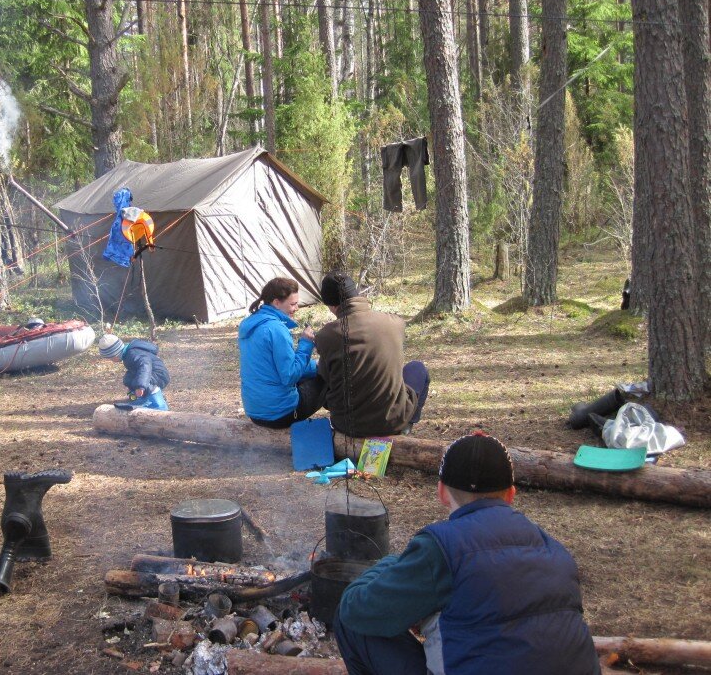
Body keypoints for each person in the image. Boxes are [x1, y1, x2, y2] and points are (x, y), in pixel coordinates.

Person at [334, 432, 601, 675]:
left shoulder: (442, 546)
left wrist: (391, 564)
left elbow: (357, 608)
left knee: (351, 623)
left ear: (441, 492)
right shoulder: (555, 549)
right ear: (511, 494)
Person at [314, 273, 428, 436]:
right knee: (417, 368)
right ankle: (406, 425)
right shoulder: (395, 323)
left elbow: (325, 380)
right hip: (393, 421)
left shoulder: (325, 335)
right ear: (357, 294)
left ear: (331, 305)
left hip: (346, 425)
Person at [238, 277, 325, 428]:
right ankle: (342, 426)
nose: (296, 308)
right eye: (293, 304)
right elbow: (289, 375)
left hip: (254, 411)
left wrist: (315, 366)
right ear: (276, 302)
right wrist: (305, 344)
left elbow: (277, 368)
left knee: (316, 371)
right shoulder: (276, 329)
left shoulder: (250, 325)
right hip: (281, 414)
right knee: (326, 378)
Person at [97, 333, 170, 410]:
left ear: (115, 354)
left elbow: (145, 365)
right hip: (152, 372)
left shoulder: (133, 354)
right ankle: (141, 397)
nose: (112, 361)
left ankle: (158, 403)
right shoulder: (128, 353)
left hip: (159, 374)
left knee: (142, 383)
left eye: (111, 358)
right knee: (128, 378)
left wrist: (140, 386)